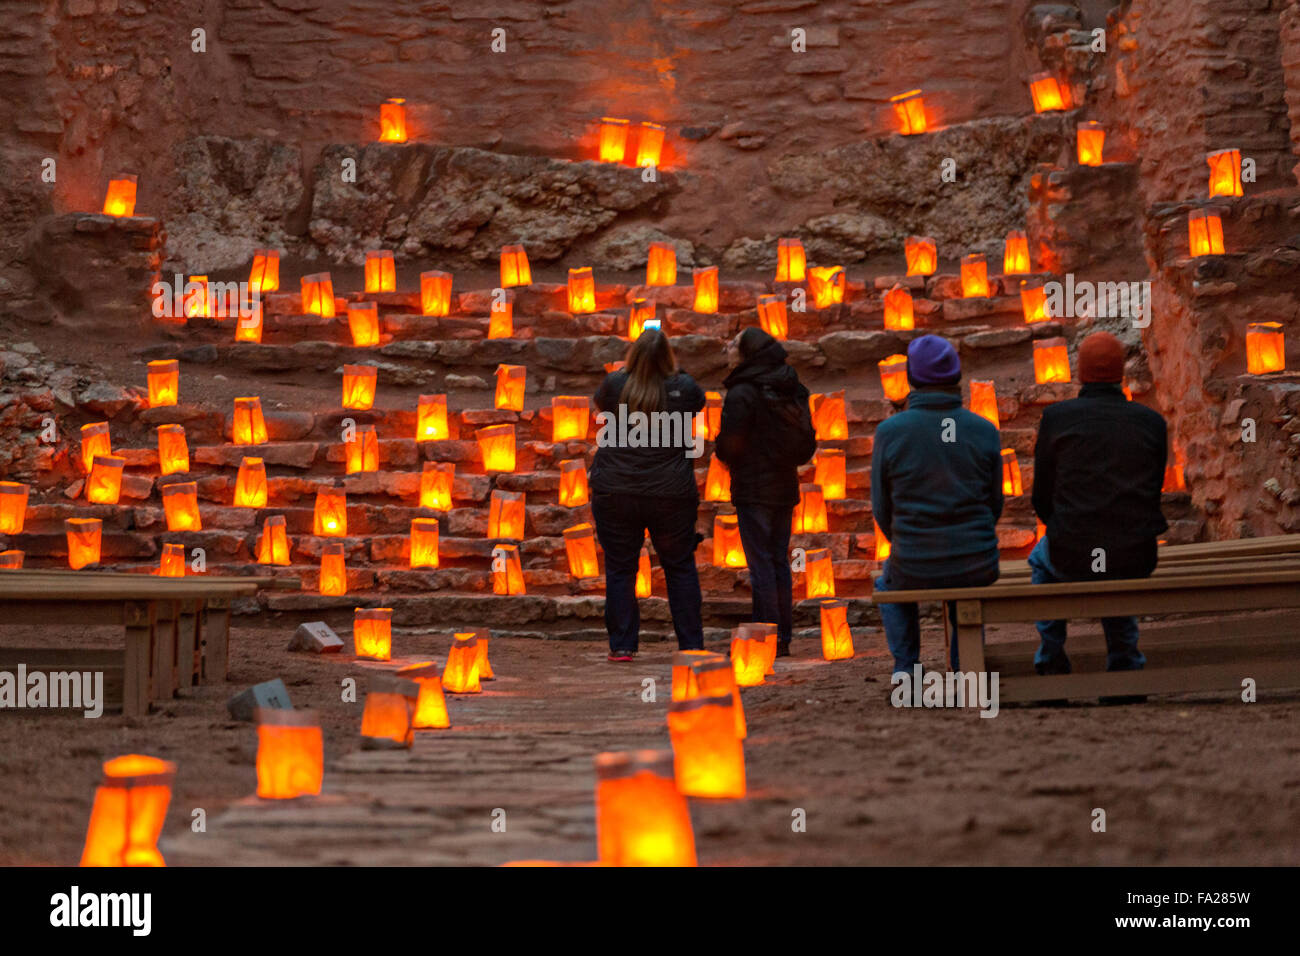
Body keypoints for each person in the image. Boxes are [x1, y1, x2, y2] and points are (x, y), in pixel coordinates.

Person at [1029, 330, 1168, 682]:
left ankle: (1052, 655)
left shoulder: (1057, 419)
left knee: (1040, 562)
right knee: (1115, 562)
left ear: (1080, 372)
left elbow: (1041, 498)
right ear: (1122, 373)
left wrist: (1064, 526)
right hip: (1135, 553)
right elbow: (1152, 491)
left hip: (1071, 551)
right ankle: (1124, 662)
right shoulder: (1151, 422)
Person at [871, 335, 1003, 676]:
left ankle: (907, 669)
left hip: (914, 558)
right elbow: (995, 503)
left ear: (912, 379)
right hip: (977, 559)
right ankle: (964, 665)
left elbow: (881, 507)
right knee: (966, 576)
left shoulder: (890, 432)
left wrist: (903, 539)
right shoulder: (984, 430)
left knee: (887, 583)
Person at [589, 329, 707, 661]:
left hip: (616, 491)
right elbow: (697, 400)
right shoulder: (683, 388)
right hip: (670, 494)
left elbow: (602, 402)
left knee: (620, 569)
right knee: (680, 567)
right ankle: (691, 644)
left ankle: (623, 645)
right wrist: (675, 372)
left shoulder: (614, 386)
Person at [715, 326, 816, 657]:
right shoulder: (791, 386)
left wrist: (722, 450)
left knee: (761, 564)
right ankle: (782, 637)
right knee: (777, 562)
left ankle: (764, 638)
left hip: (753, 488)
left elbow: (730, 445)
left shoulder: (743, 392)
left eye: (734, 344)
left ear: (747, 353)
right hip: (784, 486)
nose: (728, 348)